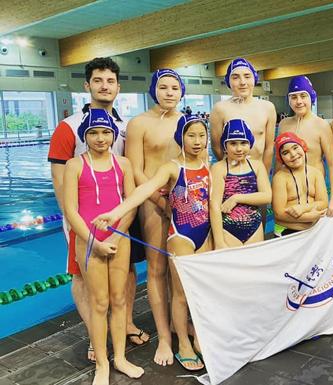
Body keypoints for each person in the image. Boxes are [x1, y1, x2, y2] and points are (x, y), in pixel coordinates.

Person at [48, 57, 147, 363]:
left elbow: (129, 171)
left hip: (118, 216)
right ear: (87, 85)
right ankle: (97, 333)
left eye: (111, 81)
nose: (105, 86)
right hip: (83, 218)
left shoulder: (123, 125)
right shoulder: (69, 127)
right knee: (81, 275)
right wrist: (74, 221)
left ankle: (125, 322)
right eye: (98, 80)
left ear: (118, 86)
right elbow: (59, 179)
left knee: (126, 269)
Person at [93, 115, 210, 371]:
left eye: (202, 135)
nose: (197, 141)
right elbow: (143, 191)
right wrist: (116, 212)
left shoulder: (209, 165)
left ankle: (199, 335)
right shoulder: (171, 167)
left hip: (206, 234)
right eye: (191, 135)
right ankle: (182, 344)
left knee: (200, 293)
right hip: (182, 236)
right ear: (181, 137)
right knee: (179, 296)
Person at [62, 108, 143, 385]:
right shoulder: (75, 165)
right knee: (99, 303)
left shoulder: (123, 163)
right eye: (94, 133)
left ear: (113, 134)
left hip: (120, 239)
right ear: (85, 136)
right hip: (88, 242)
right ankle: (102, 364)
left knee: (119, 300)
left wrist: (117, 236)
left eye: (105, 132)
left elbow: (130, 204)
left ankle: (120, 357)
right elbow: (71, 209)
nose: (100, 138)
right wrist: (93, 241)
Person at [124, 68, 185, 366]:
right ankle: (163, 338)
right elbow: (135, 169)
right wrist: (159, 200)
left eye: (175, 87)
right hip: (153, 201)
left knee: (181, 268)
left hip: (185, 202)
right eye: (164, 87)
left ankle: (180, 325)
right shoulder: (139, 124)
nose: (170, 92)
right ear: (153, 89)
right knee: (158, 269)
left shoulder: (186, 122)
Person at [278, 76, 333, 216]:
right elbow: (279, 162)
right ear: (288, 100)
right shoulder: (283, 124)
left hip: (314, 193)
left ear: (311, 97)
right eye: (293, 97)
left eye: (303, 96)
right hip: (289, 193)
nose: (299, 101)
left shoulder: (321, 125)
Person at [210, 119, 272, 249]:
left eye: (243, 143)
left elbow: (267, 196)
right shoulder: (219, 168)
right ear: (225, 145)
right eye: (233, 143)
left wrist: (236, 197)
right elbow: (214, 206)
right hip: (228, 230)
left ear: (250, 144)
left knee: (254, 268)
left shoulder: (257, 166)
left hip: (254, 228)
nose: (239, 149)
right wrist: (219, 241)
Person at [210, 58, 276, 173]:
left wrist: (263, 176)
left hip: (258, 172)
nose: (242, 82)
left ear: (254, 79)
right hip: (231, 173)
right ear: (228, 81)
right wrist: (231, 172)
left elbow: (269, 148)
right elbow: (216, 147)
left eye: (247, 76)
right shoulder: (219, 109)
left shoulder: (267, 108)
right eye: (235, 77)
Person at [272, 132, 328, 236]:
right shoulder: (280, 178)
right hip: (286, 231)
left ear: (303, 147)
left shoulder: (316, 173)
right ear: (281, 159)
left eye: (295, 147)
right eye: (285, 153)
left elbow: (323, 203)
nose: (293, 154)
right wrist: (308, 217)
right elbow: (278, 213)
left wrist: (303, 208)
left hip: (313, 231)